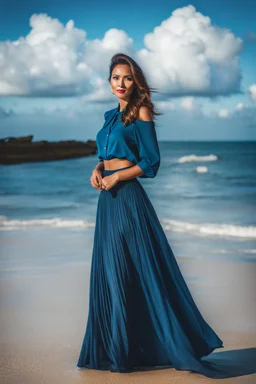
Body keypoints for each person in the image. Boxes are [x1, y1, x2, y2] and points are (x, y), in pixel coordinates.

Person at [77, 53, 224, 376]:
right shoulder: (108, 116)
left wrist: (117, 176)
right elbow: (107, 153)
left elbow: (151, 163)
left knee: (133, 272)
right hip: (107, 202)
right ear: (109, 82)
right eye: (116, 77)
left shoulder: (139, 112)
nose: (121, 83)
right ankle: (121, 348)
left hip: (128, 200)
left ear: (136, 82)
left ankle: (155, 345)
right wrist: (99, 167)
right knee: (112, 273)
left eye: (128, 78)